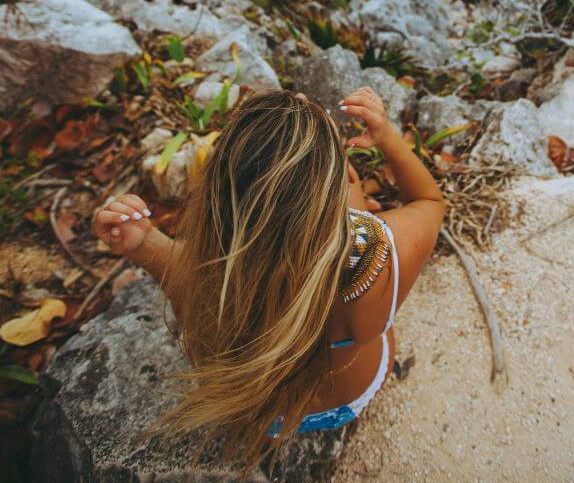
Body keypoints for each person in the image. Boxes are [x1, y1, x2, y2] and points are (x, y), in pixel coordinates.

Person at [91, 86, 445, 469]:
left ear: (216, 196)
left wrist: (141, 242)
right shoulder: (375, 259)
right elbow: (431, 202)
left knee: (232, 294)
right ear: (328, 197)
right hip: (347, 396)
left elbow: (178, 273)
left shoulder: (213, 264)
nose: (302, 96)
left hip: (256, 407)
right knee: (357, 236)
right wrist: (389, 139)